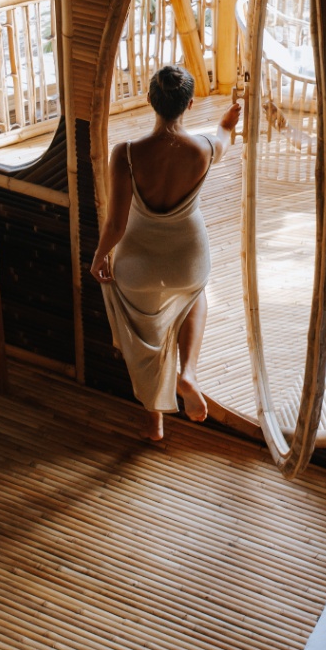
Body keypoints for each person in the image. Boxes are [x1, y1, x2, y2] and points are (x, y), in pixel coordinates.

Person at [91, 64, 241, 442]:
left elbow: (116, 225)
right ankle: (187, 373)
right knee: (195, 295)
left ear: (149, 100)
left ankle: (154, 418)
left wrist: (99, 257)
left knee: (145, 338)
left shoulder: (125, 154)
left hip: (137, 263)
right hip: (187, 258)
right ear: (189, 105)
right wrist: (225, 123)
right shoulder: (204, 148)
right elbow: (223, 139)